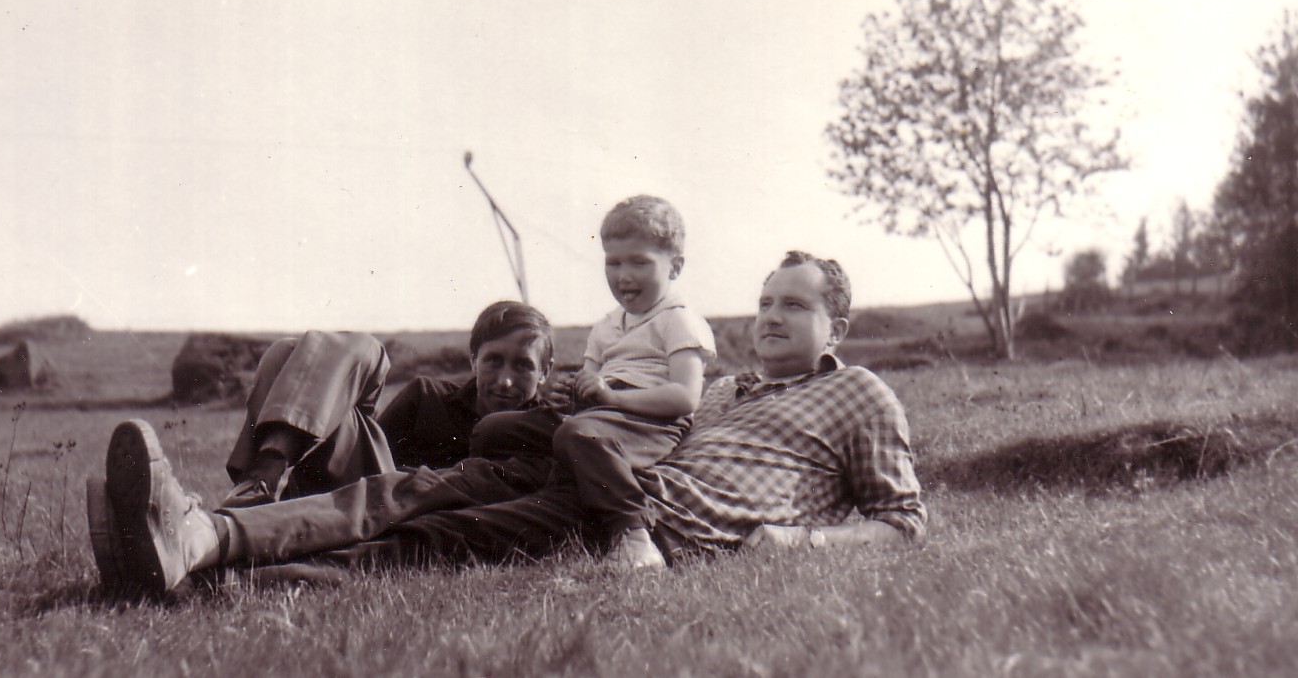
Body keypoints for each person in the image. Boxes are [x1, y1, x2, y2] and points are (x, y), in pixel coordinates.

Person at [93, 250, 925, 596]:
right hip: (597, 485)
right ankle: (204, 539)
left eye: (795, 307)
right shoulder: (721, 391)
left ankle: (204, 565)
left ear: (838, 328)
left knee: (425, 540)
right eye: (767, 302)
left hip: (637, 519)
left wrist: (800, 543)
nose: (771, 316)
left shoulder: (862, 396)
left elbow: (901, 522)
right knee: (402, 495)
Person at [87, 300, 563, 595]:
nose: (504, 380)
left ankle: (175, 539)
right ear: (472, 358)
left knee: (289, 356)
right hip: (359, 502)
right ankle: (261, 479)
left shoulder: (549, 430)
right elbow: (355, 447)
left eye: (523, 366)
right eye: (493, 361)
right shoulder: (428, 396)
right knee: (318, 350)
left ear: (546, 372)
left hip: (416, 528)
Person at [485, 194, 715, 570]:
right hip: (599, 416)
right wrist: (572, 391)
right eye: (614, 262)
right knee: (496, 428)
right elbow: (588, 379)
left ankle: (634, 534)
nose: (624, 276)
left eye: (640, 262)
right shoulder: (606, 326)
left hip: (650, 420)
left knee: (579, 435)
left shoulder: (678, 320)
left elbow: (685, 397)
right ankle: (516, 493)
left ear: (675, 267)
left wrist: (612, 399)